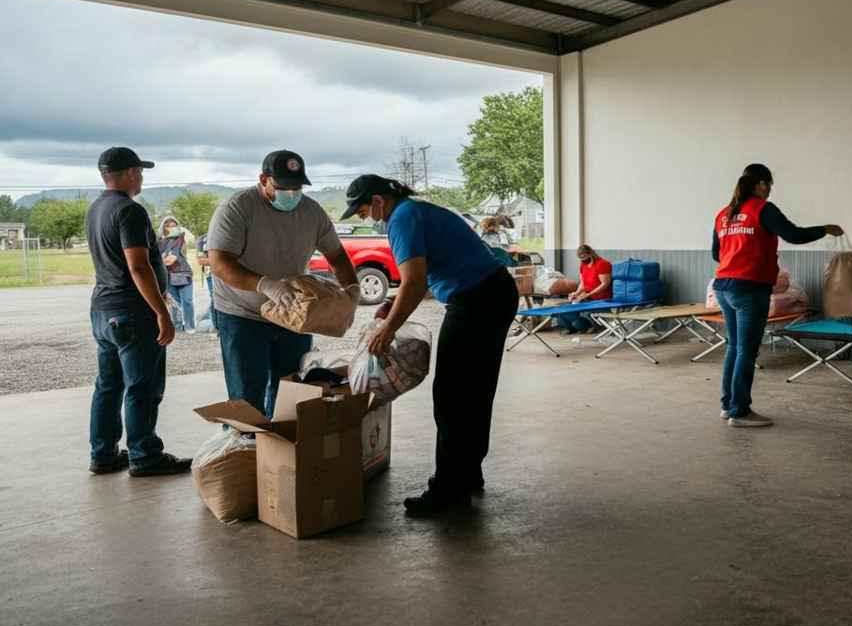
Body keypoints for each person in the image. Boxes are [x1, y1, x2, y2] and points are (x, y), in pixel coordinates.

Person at [342, 174, 518, 517]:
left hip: (477, 300)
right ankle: (467, 474)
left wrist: (388, 329)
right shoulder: (416, 211)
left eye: (363, 209)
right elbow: (424, 277)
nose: (364, 217)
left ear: (378, 200)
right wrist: (393, 305)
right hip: (492, 293)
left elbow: (414, 280)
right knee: (474, 391)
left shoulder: (402, 218)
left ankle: (449, 490)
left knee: (453, 394)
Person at [206, 150, 360, 417]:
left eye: (297, 186)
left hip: (293, 314)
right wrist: (265, 285)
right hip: (242, 314)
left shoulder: (312, 212)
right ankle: (244, 452)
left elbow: (337, 256)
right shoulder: (237, 208)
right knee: (246, 395)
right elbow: (219, 263)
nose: (291, 193)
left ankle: (280, 453)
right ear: (263, 179)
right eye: (283, 186)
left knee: (290, 391)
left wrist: (352, 291)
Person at [84, 147, 191, 476]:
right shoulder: (130, 211)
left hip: (104, 310)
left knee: (109, 384)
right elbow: (138, 266)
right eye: (140, 172)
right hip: (132, 312)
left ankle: (103, 454)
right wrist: (160, 311)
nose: (142, 177)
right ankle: (144, 456)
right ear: (129, 173)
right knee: (142, 386)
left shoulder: (96, 208)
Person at [713, 163, 842, 428]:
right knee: (746, 351)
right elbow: (793, 234)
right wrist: (825, 229)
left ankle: (728, 406)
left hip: (723, 287)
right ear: (761, 183)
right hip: (749, 289)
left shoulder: (723, 215)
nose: (770, 189)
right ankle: (740, 411)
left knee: (734, 347)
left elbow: (717, 254)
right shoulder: (763, 209)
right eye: (769, 184)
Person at [556, 244, 612, 334]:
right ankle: (575, 325)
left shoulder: (602, 264)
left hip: (600, 297)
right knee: (562, 308)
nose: (583, 260)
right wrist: (576, 293)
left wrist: (589, 294)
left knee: (575, 311)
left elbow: (605, 283)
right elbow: (583, 283)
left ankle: (585, 325)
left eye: (585, 257)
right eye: (581, 258)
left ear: (590, 254)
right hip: (587, 296)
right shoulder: (583, 265)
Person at [157, 216, 195, 334]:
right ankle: (177, 328)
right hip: (168, 275)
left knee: (187, 300)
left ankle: (189, 326)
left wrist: (161, 261)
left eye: (174, 226)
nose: (172, 228)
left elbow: (171, 260)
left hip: (184, 273)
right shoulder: (159, 243)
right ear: (164, 227)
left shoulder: (181, 239)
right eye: (169, 226)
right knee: (174, 304)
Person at [195, 231, 214, 331]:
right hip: (211, 274)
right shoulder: (202, 239)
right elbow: (200, 260)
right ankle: (215, 325)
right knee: (214, 298)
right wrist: (220, 260)